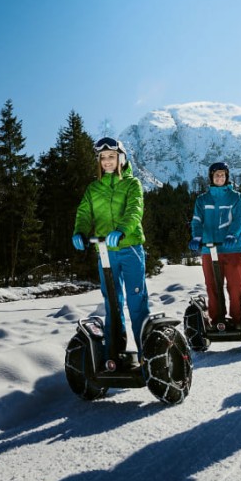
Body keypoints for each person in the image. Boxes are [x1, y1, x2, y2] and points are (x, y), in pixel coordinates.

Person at [72, 137, 149, 361]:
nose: (107, 161)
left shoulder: (132, 183)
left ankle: (147, 354)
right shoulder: (93, 188)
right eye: (103, 158)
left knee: (136, 301)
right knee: (112, 302)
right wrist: (79, 232)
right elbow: (85, 213)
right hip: (105, 252)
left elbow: (135, 209)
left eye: (111, 157)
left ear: (121, 159)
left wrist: (123, 229)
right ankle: (114, 354)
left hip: (130, 247)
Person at [188, 162, 241, 329]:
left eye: (223, 175)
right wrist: (197, 237)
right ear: (211, 178)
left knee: (235, 286)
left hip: (232, 248)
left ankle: (238, 320)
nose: (220, 177)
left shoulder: (235, 197)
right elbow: (197, 221)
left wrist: (232, 234)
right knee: (212, 286)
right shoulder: (202, 199)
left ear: (227, 177)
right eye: (216, 175)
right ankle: (217, 321)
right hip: (209, 249)